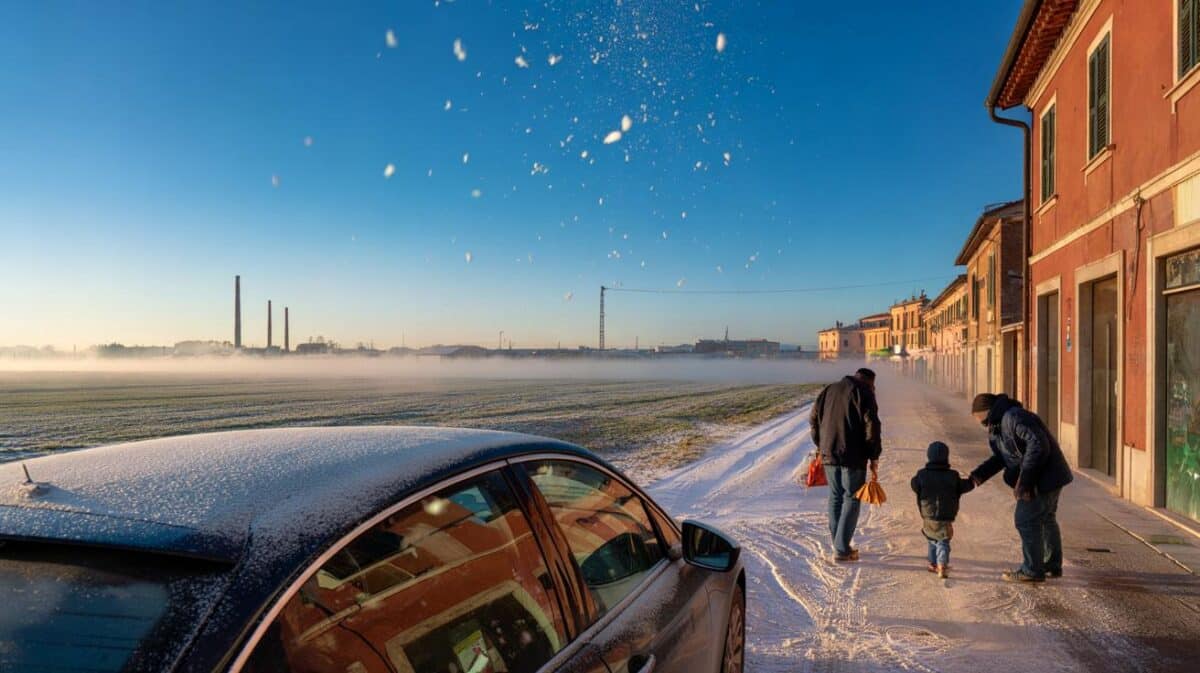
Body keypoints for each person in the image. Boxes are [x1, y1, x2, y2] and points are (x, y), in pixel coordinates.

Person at [968, 393, 1073, 583]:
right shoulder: (998, 425)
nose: (982, 424)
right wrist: (976, 477)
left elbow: (1038, 444)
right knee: (1046, 519)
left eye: (981, 420)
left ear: (987, 412)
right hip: (1048, 476)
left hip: (1043, 478)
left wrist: (1025, 480)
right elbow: (1000, 457)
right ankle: (1051, 564)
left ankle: (1032, 570)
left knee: (1025, 520)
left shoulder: (1013, 417)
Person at [810, 367, 881, 562]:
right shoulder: (864, 393)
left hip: (829, 454)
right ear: (870, 382)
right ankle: (841, 549)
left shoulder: (828, 390)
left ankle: (839, 543)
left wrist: (821, 445)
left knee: (835, 497)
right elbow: (872, 426)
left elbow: (813, 420)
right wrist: (873, 455)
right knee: (852, 497)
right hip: (854, 456)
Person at [910, 441, 974, 578]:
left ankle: (933, 563)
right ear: (946, 457)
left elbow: (914, 485)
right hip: (946, 515)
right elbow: (964, 486)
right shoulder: (953, 476)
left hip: (927, 514)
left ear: (929, 457)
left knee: (931, 538)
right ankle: (942, 565)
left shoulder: (922, 475)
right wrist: (973, 480)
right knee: (943, 540)